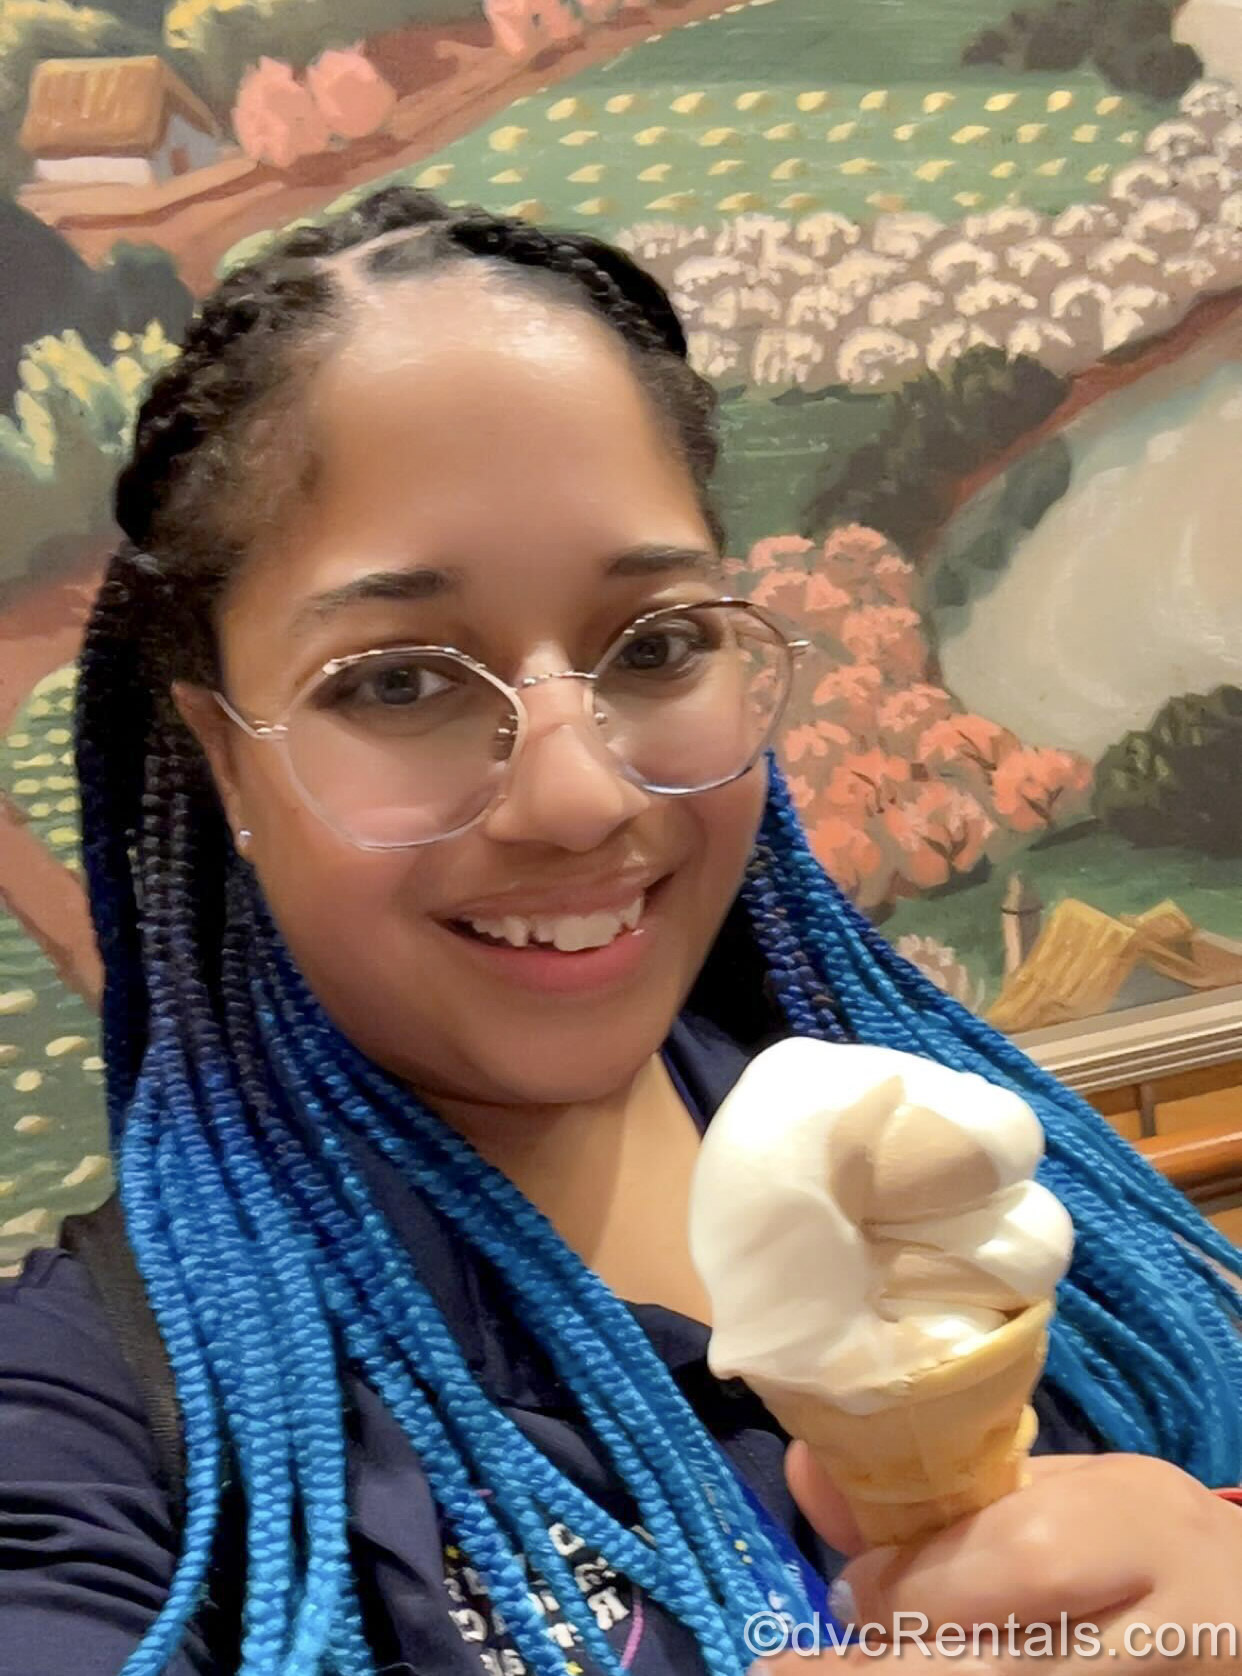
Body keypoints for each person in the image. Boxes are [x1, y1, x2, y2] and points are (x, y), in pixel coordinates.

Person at [0, 187, 1238, 1676]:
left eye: (653, 645)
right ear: (222, 757)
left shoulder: (977, 1178)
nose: (580, 796)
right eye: (397, 682)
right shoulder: (91, 1425)